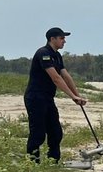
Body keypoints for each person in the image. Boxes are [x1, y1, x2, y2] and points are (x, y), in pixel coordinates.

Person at [24, 27, 87, 163]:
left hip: (47, 98)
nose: (64, 41)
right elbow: (56, 78)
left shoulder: (57, 55)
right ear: (52, 39)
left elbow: (65, 76)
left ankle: (53, 161)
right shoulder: (43, 53)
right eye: (62, 38)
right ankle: (32, 163)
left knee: (55, 132)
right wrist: (72, 96)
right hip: (35, 97)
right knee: (38, 133)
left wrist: (77, 96)